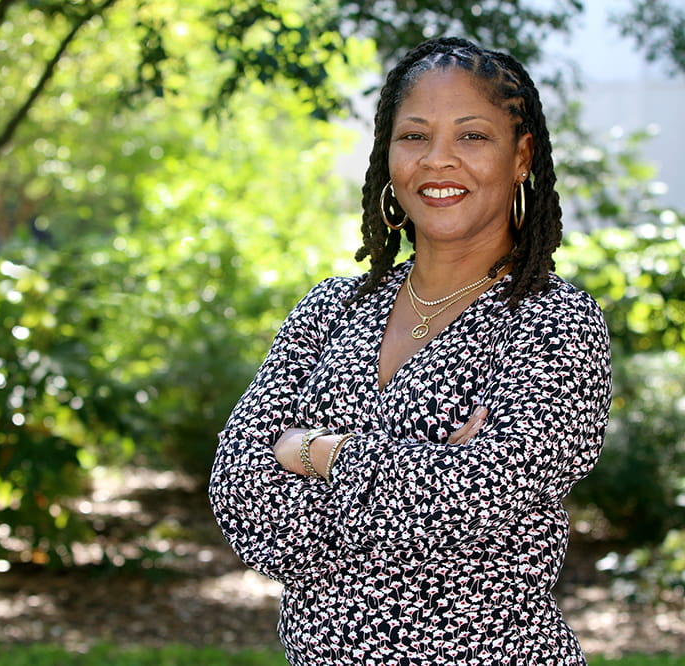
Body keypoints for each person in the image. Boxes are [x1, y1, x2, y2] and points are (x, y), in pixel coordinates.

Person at [209, 36, 612, 665]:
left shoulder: (555, 324)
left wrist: (314, 452)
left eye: (472, 137)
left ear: (521, 156)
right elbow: (240, 497)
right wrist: (426, 477)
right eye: (414, 136)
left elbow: (485, 494)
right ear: (388, 154)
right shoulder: (331, 309)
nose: (438, 160)